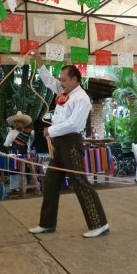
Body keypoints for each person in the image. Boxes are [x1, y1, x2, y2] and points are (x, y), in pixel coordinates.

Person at [28, 50, 109, 238]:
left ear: (74, 80)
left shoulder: (82, 98)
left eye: (64, 79)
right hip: (58, 144)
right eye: (61, 80)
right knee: (50, 183)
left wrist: (50, 130)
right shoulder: (65, 91)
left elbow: (74, 124)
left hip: (71, 143)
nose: (61, 82)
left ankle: (100, 224)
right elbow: (49, 81)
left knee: (80, 183)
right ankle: (47, 223)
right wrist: (39, 63)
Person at [3, 111, 34, 194]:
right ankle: (14, 188)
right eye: (15, 122)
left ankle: (27, 186)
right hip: (15, 156)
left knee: (28, 170)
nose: (17, 124)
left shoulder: (30, 132)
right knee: (14, 169)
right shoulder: (12, 133)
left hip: (27, 155)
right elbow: (6, 144)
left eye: (19, 122)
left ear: (23, 124)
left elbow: (33, 140)